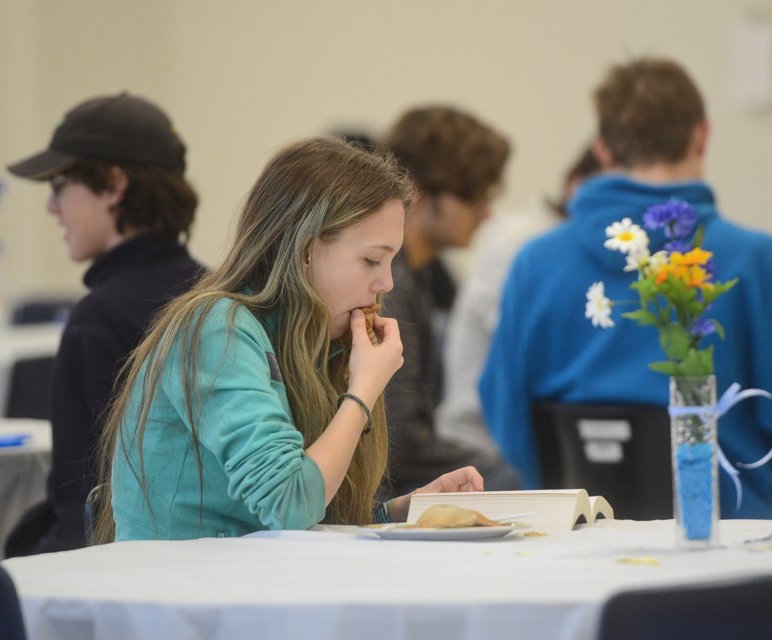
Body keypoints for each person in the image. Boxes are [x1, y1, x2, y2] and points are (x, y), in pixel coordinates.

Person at [479, 57, 772, 519]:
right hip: (736, 542)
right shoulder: (753, 259)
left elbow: (506, 422)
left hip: (574, 546)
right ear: (702, 135)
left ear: (602, 150)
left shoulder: (534, 264)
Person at [93, 136, 484, 543]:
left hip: (244, 582)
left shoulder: (313, 338)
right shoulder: (215, 329)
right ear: (305, 252)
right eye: (371, 260)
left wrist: (403, 513)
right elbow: (287, 505)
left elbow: (308, 515)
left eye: (390, 262)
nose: (385, 283)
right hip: (178, 593)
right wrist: (362, 392)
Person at [3, 92, 207, 556]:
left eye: (59, 184)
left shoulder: (99, 318)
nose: (51, 207)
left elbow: (84, 504)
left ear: (114, 185)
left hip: (116, 568)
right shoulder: (220, 295)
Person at [378, 106, 521, 498]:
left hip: (402, 477)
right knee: (513, 480)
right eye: (474, 197)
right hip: (386, 492)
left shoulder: (420, 279)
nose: (487, 213)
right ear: (422, 193)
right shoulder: (389, 285)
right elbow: (399, 443)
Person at [436, 145, 600, 455]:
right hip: (476, 443)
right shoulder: (527, 244)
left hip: (504, 435)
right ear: (576, 186)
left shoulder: (548, 242)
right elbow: (524, 363)